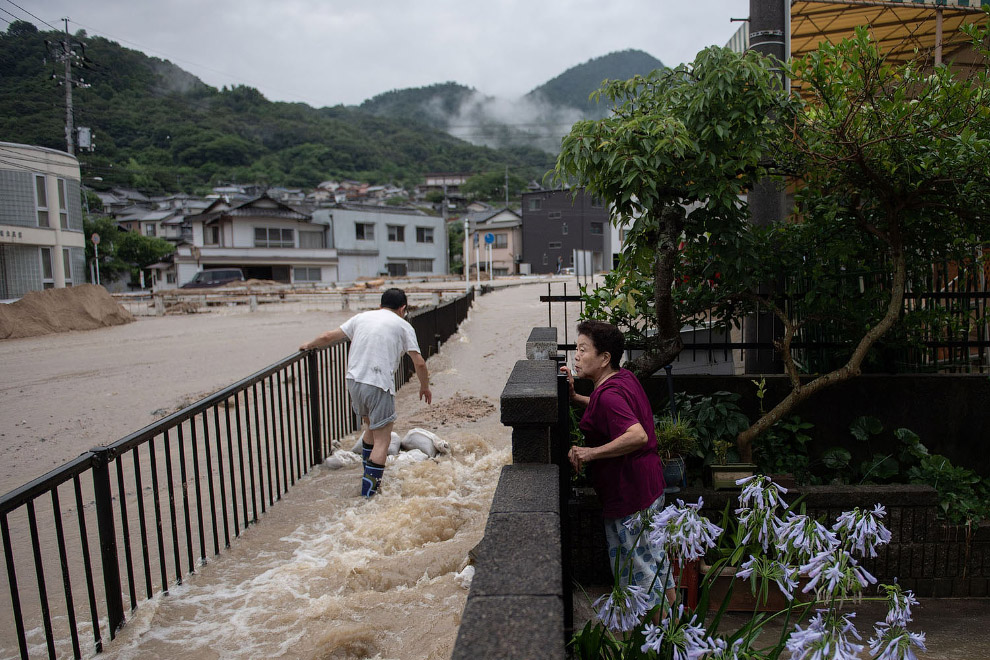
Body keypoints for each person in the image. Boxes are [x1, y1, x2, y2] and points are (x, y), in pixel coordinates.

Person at [560, 320, 676, 617]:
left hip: (630, 494)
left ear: (605, 358)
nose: (576, 355)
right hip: (648, 486)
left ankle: (659, 639)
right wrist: (575, 398)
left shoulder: (609, 393)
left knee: (640, 570)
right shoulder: (621, 379)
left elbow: (637, 435)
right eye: (576, 348)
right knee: (655, 560)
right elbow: (607, 409)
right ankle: (676, 626)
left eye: (583, 349)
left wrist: (590, 453)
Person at [300, 288, 432, 497]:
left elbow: (327, 336)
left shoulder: (361, 317)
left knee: (370, 426)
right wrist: (424, 386)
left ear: (381, 305)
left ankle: (366, 478)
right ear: (402, 308)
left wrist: (309, 345)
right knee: (383, 440)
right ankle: (368, 496)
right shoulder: (403, 325)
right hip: (378, 383)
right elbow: (420, 362)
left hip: (354, 381)